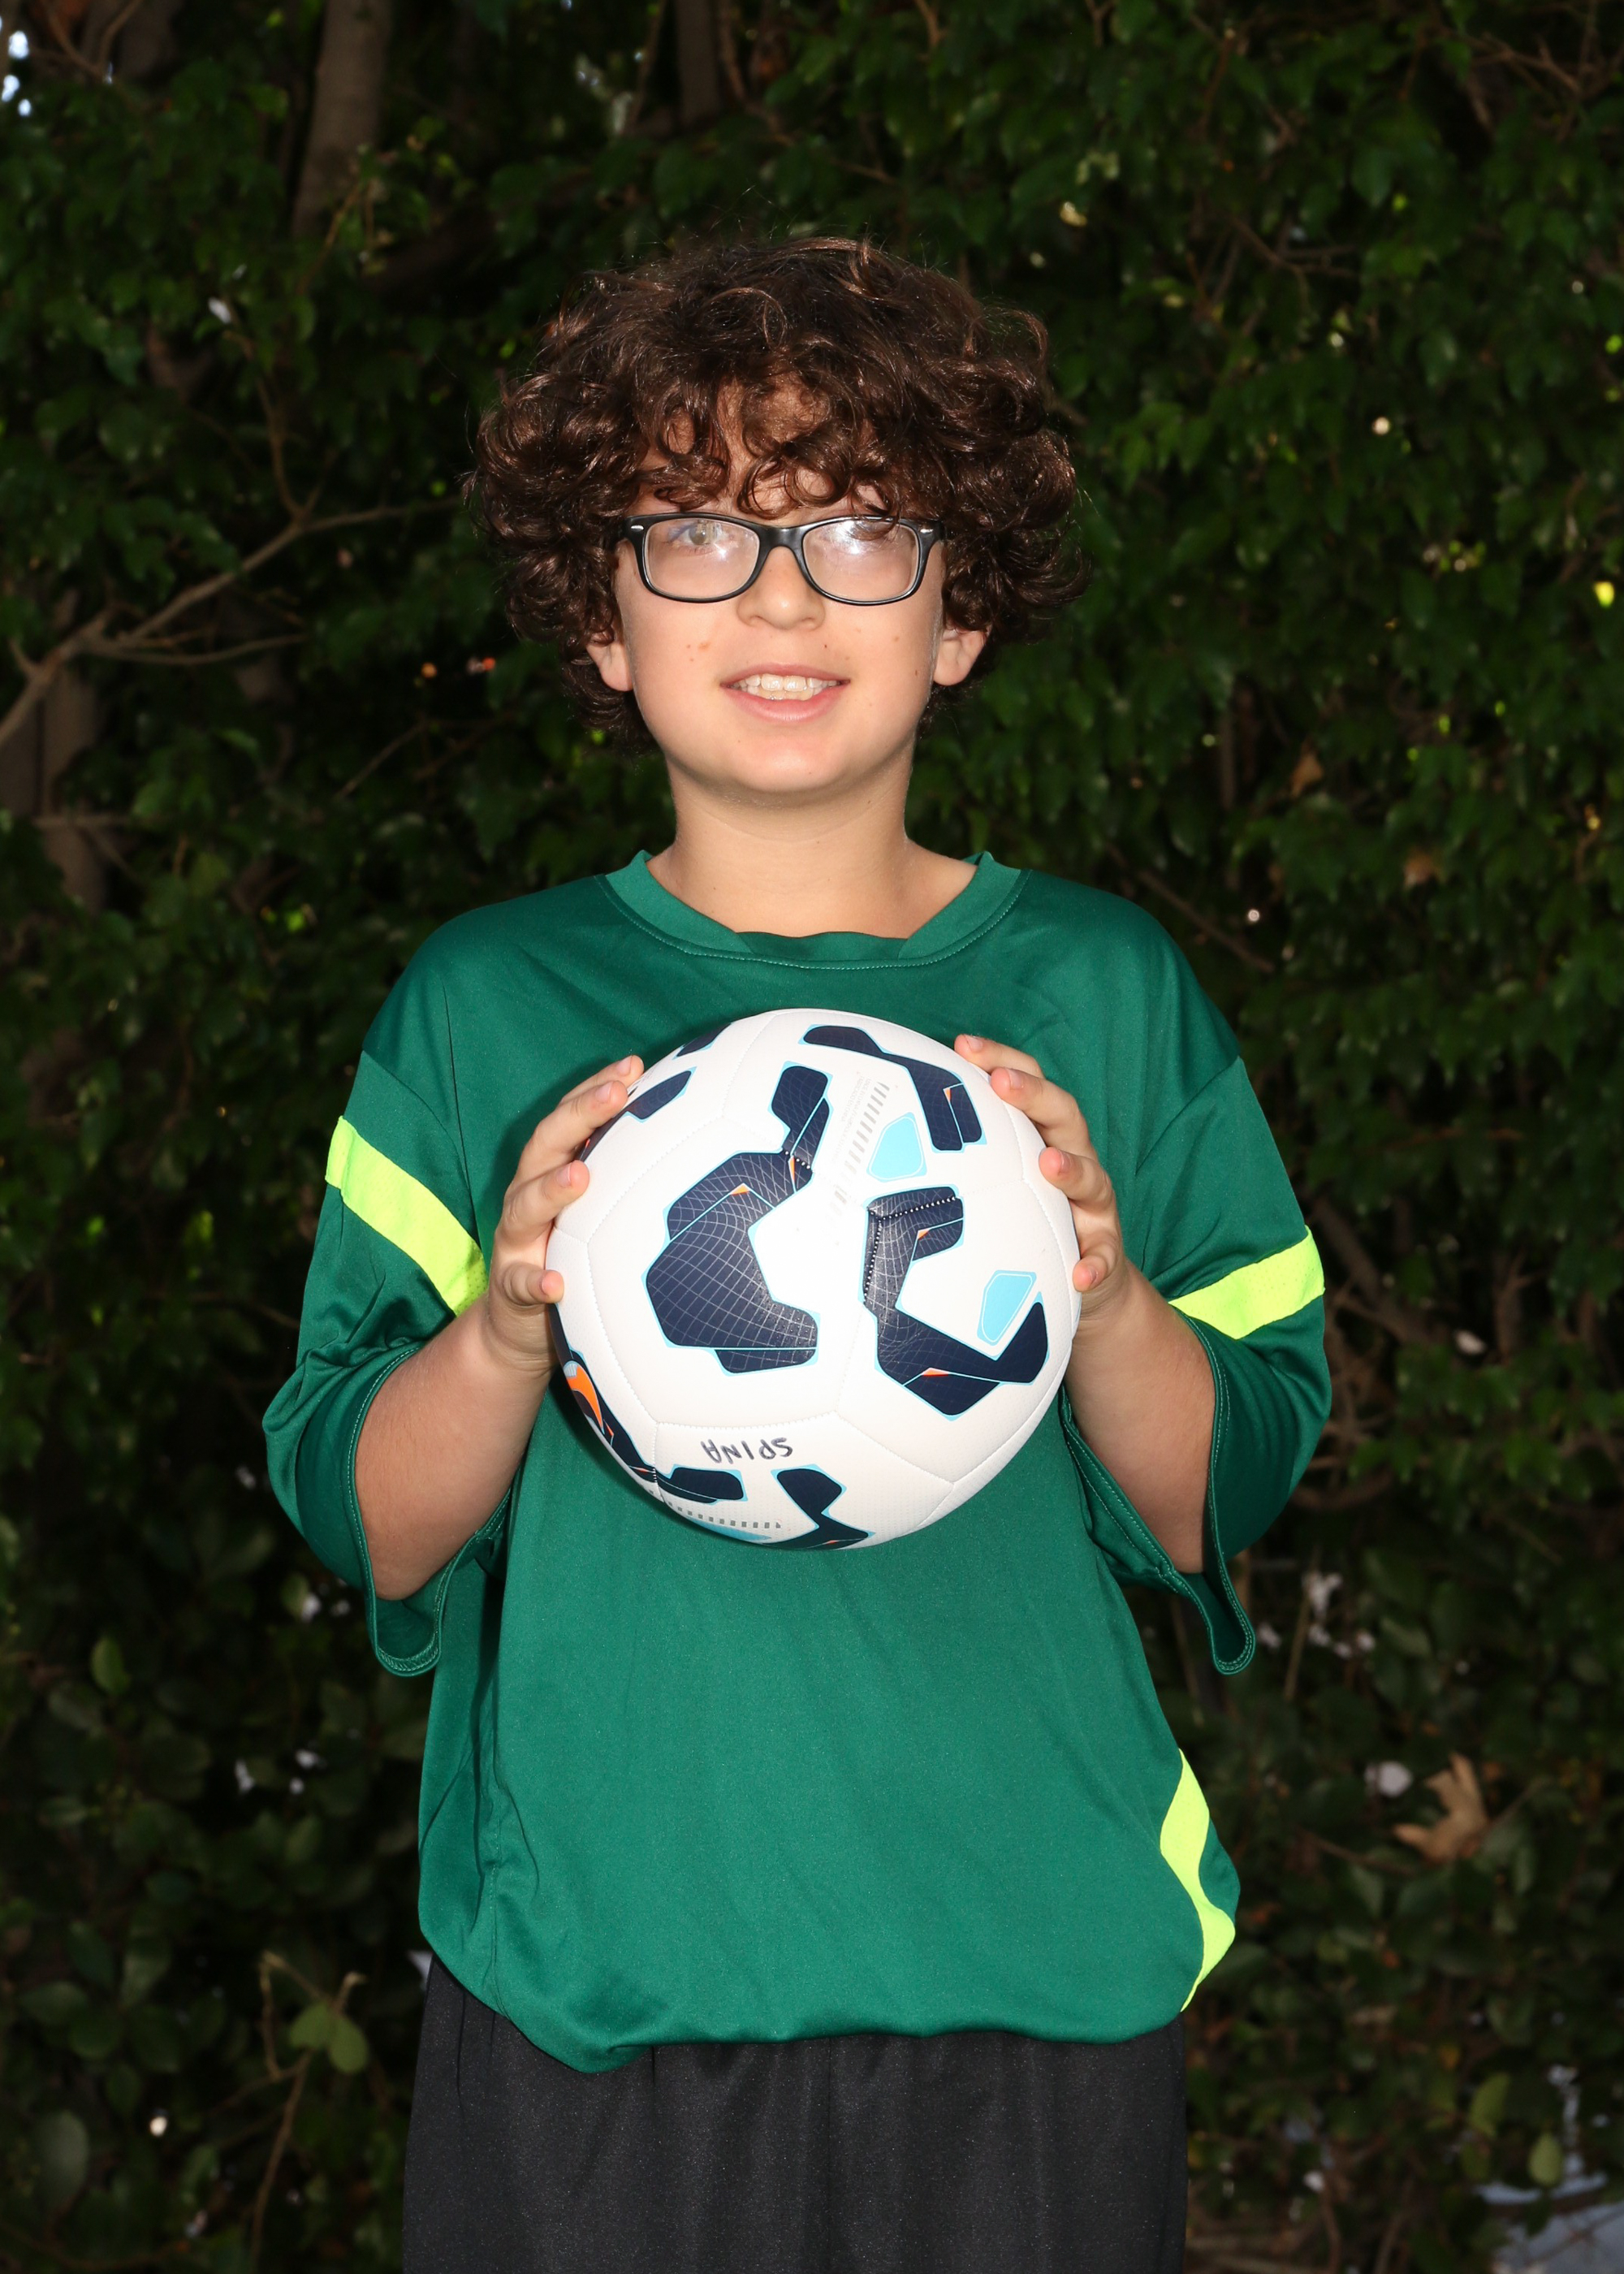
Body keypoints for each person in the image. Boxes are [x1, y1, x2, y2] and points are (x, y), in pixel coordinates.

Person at [264, 237, 1331, 2274]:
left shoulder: (1099, 990)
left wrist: (1105, 1292)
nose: (778, 596)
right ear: (599, 618)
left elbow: (1230, 1484)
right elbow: (365, 1517)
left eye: (856, 528)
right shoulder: (487, 1010)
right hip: (598, 1994)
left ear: (961, 609)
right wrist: (502, 1328)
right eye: (696, 532)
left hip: (1030, 1973)